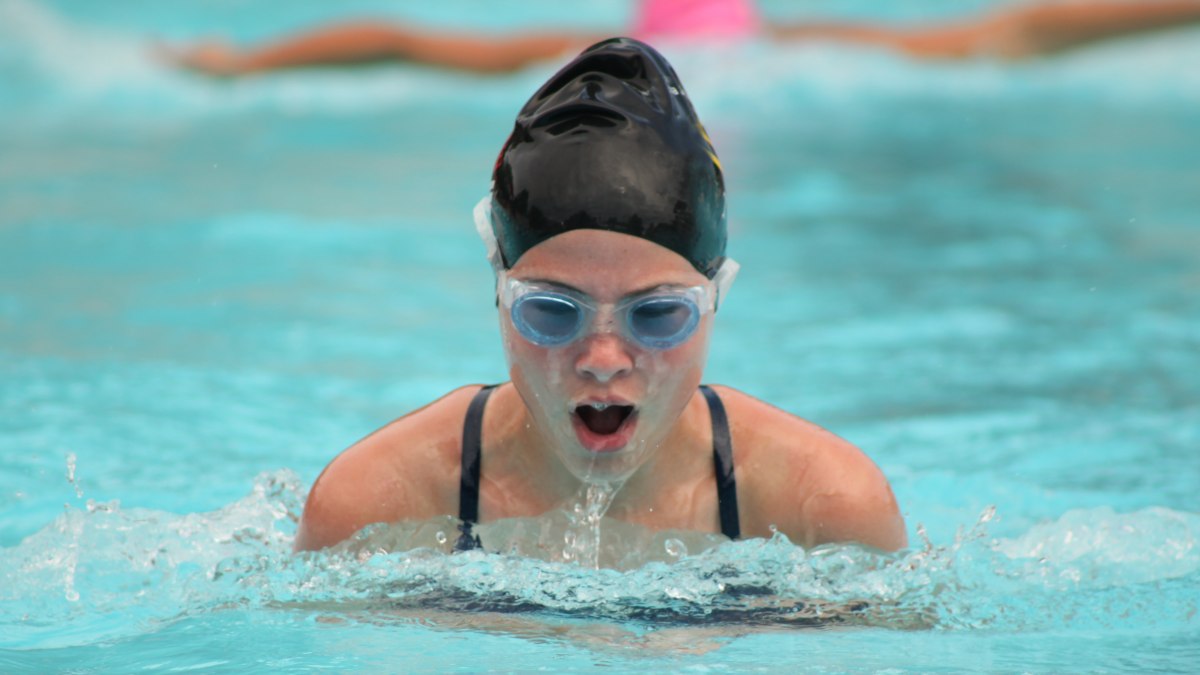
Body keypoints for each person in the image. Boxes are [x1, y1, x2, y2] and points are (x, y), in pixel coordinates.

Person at [294, 37, 907, 554]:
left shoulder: (819, 504)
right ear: (500, 294)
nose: (604, 357)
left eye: (658, 314)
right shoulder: (376, 503)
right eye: (553, 313)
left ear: (718, 296)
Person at [161, 0, 1200, 76]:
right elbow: (1019, 31)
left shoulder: (594, 50)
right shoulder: (794, 45)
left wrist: (244, 66)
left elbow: (403, 42)